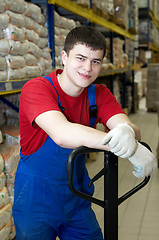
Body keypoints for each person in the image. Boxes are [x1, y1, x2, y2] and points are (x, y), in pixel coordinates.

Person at [12, 25, 157, 240]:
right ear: (64, 57)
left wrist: (127, 132)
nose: (87, 68)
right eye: (80, 58)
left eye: (95, 61)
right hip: (36, 202)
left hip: (76, 199)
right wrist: (132, 150)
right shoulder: (37, 89)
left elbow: (127, 128)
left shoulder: (99, 94)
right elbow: (62, 134)